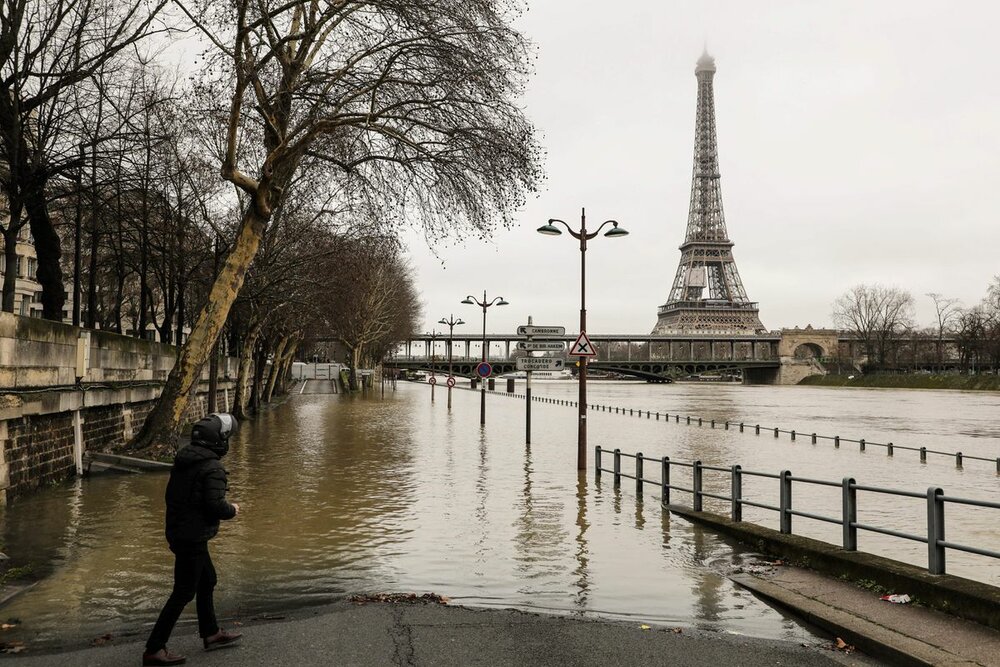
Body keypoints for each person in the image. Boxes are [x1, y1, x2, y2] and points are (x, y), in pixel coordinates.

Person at [143, 413, 244, 666]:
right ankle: (155, 648)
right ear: (218, 441)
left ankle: (211, 633)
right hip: (193, 536)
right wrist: (233, 509)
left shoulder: (184, 461)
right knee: (183, 592)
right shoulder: (213, 467)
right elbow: (215, 506)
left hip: (180, 531)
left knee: (207, 580)